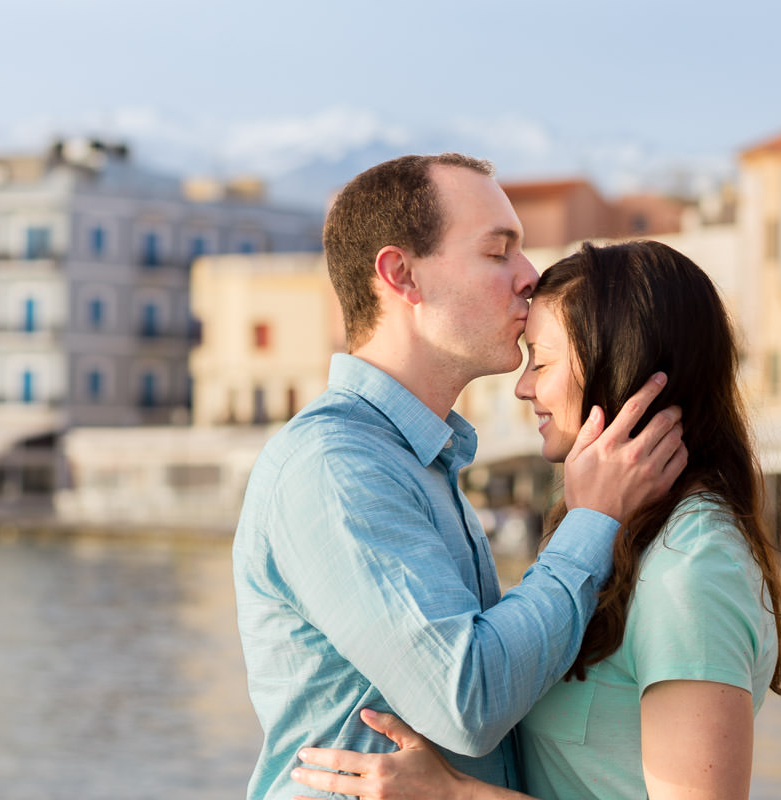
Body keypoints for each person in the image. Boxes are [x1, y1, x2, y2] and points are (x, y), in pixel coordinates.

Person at [233, 156, 688, 800]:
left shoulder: (418, 462)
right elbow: (466, 700)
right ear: (402, 274)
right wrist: (593, 521)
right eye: (499, 252)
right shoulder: (336, 466)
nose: (530, 279)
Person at [291, 240, 781, 800]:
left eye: (542, 359)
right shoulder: (626, 533)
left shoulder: (694, 564)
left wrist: (456, 794)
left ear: (620, 366)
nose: (523, 385)